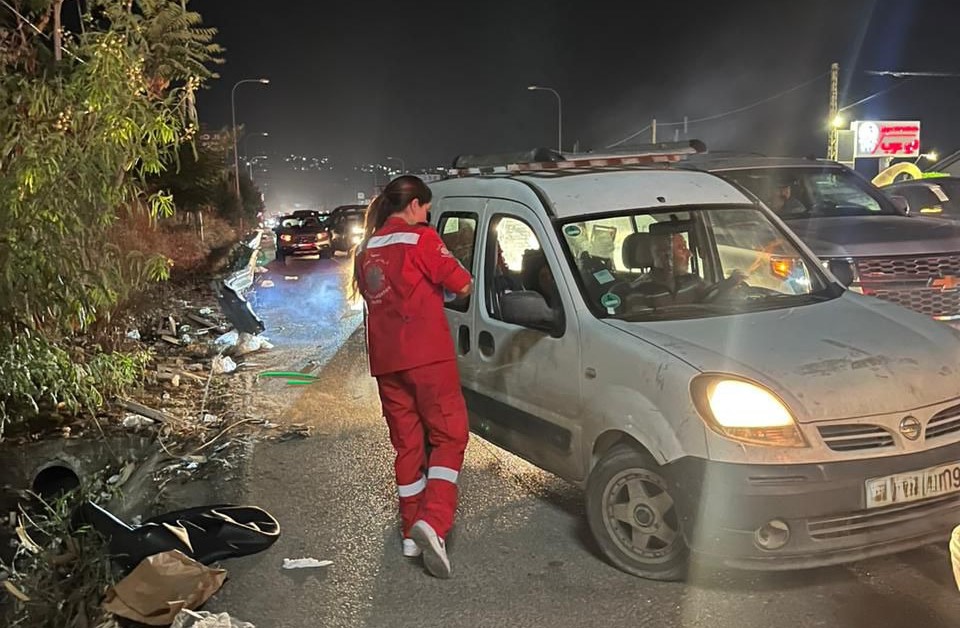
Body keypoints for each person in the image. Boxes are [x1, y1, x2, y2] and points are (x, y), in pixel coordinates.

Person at [353, 176, 473, 579]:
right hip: (426, 355)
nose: (428, 214)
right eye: (427, 208)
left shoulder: (367, 247)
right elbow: (462, 282)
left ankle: (410, 532)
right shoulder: (421, 239)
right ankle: (434, 521)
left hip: (387, 361)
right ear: (415, 205)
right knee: (450, 436)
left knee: (407, 445)